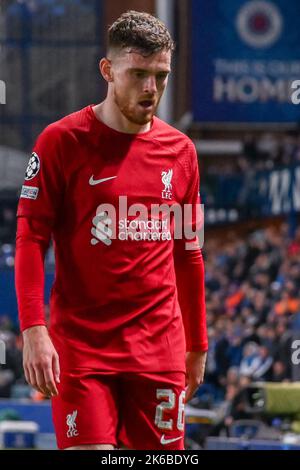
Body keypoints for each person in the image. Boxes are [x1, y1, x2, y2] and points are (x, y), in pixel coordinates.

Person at [15, 11, 208, 450]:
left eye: (160, 76)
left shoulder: (182, 153)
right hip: (82, 352)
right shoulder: (61, 142)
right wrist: (34, 330)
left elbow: (188, 253)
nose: (150, 89)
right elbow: (30, 238)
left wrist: (197, 343)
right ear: (108, 70)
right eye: (137, 74)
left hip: (160, 349)